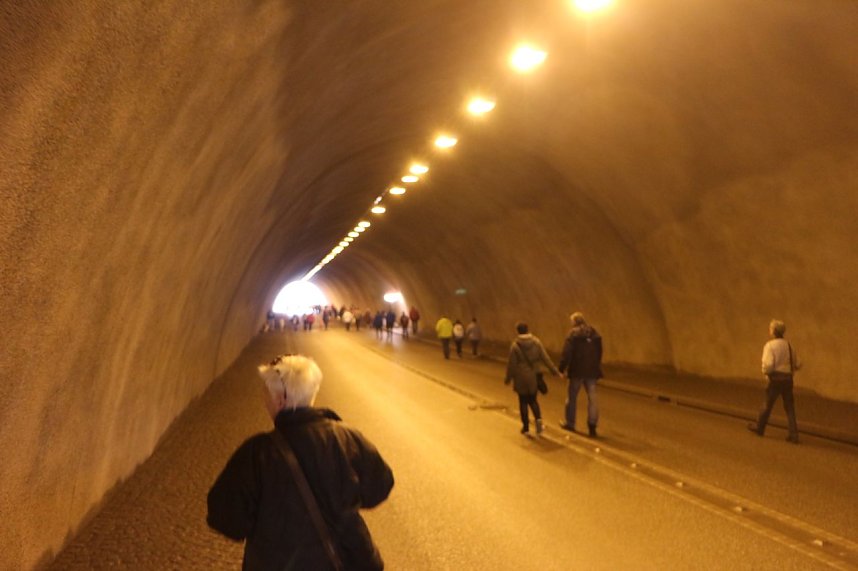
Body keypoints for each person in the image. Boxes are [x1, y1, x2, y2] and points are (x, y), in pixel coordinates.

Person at [207, 354, 394, 570]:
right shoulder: (348, 439)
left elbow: (225, 517)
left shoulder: (257, 454)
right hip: (345, 562)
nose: (263, 397)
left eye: (266, 391)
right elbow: (380, 486)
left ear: (281, 399)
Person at [748, 319, 802, 443]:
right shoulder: (789, 345)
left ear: (773, 331)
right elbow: (798, 363)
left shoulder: (770, 345)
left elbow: (768, 365)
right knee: (789, 407)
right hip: (788, 380)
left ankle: (760, 427)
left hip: (775, 380)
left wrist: (766, 373)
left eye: (770, 329)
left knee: (767, 404)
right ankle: (794, 435)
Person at [504, 322, 560, 435]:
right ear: (528, 330)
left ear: (518, 331)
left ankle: (526, 428)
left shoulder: (515, 346)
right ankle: (538, 421)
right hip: (533, 376)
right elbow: (545, 358)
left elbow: (512, 365)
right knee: (533, 400)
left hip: (520, 377)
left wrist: (508, 378)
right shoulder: (536, 342)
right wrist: (555, 371)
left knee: (523, 402)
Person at [558, 312, 603, 438]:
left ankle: (570, 423)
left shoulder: (573, 334)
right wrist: (596, 365)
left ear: (574, 322)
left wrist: (561, 369)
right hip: (592, 371)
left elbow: (567, 352)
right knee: (593, 399)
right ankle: (592, 427)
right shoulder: (594, 333)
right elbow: (600, 352)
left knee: (572, 397)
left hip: (577, 370)